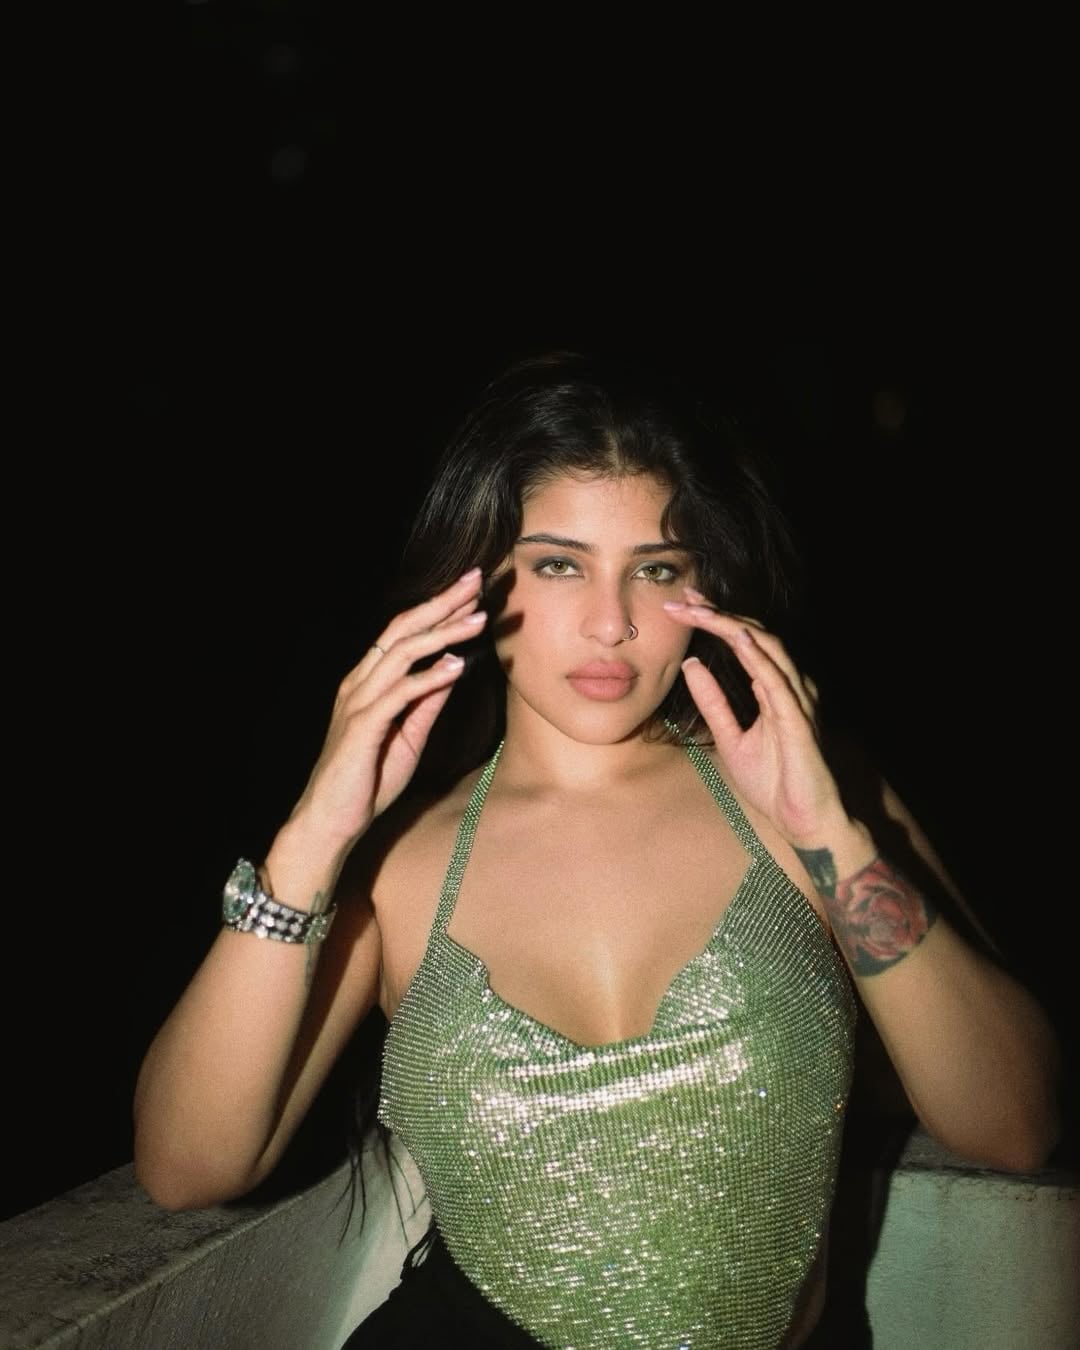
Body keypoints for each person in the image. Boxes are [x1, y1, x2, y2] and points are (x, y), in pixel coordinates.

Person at [133, 350, 1062, 1349]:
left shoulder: (805, 797)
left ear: (703, 588)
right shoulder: (398, 864)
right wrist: (314, 835)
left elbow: (1014, 1124)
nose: (611, 624)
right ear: (478, 580)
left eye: (655, 570)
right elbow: (189, 1166)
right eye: (559, 563)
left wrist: (831, 836)